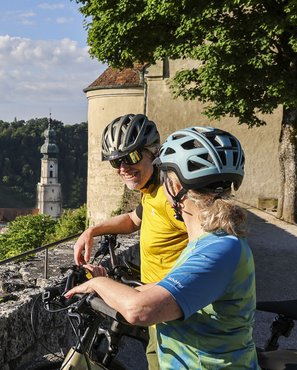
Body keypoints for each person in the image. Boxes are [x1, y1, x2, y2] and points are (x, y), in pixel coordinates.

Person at [66, 126, 257, 369]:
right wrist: (113, 286)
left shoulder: (219, 249)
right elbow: (172, 285)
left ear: (175, 188)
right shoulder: (212, 242)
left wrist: (96, 283)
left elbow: (140, 311)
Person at [73, 113, 188, 368]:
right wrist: (92, 231)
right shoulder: (153, 190)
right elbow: (133, 220)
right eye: (116, 162)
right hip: (160, 304)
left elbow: (205, 251)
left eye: (131, 157)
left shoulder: (172, 198)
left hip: (176, 312)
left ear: (152, 153)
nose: (123, 168)